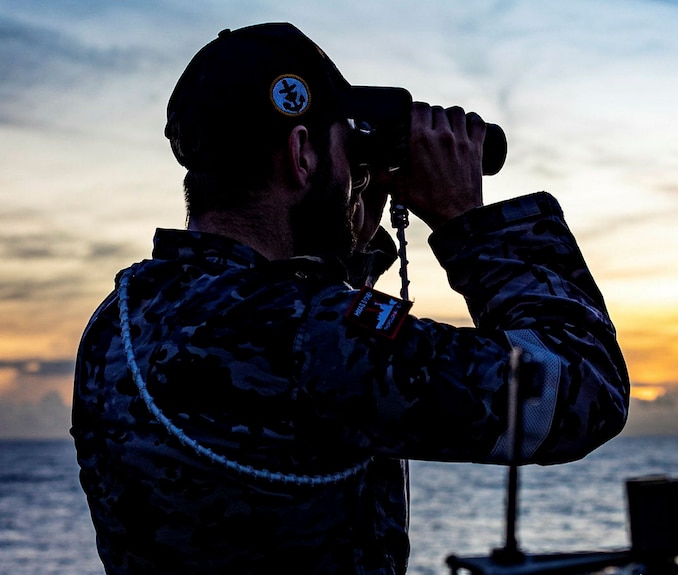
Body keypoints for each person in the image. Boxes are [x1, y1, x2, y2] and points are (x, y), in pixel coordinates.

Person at [71, 22, 630, 575]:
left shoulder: (119, 320)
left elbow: (302, 365)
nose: (356, 176)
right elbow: (584, 390)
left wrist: (347, 243)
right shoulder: (314, 336)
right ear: (300, 154)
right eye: (344, 151)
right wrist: (470, 222)